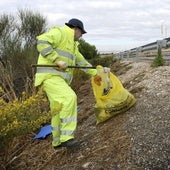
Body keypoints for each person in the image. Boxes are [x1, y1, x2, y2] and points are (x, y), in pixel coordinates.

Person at [34, 18, 101, 148]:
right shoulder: (60, 32)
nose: (81, 37)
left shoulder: (72, 45)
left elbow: (81, 62)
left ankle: (57, 142)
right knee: (70, 98)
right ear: (76, 29)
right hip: (50, 76)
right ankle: (67, 138)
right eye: (81, 33)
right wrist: (57, 60)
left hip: (57, 79)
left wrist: (95, 73)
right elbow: (42, 42)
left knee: (57, 110)